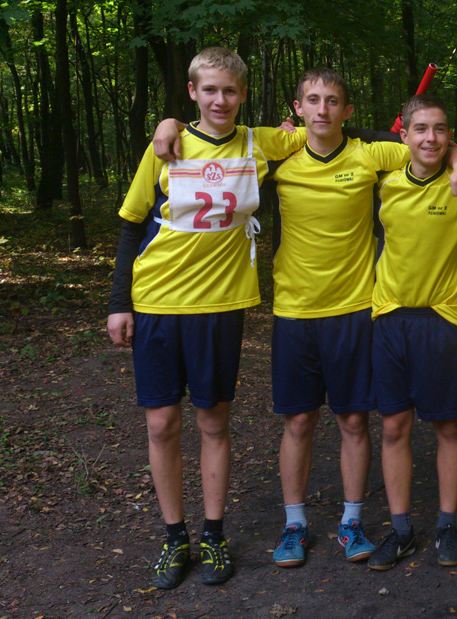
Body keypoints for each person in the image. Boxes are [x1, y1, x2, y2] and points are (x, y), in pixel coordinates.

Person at [150, 69, 457, 569]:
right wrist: (170, 122)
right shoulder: (277, 152)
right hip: (294, 309)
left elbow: (427, 145)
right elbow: (215, 136)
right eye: (313, 100)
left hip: (353, 308)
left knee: (352, 420)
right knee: (298, 420)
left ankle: (352, 521)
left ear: (347, 110)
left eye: (333, 101)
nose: (323, 109)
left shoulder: (371, 154)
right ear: (298, 109)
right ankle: (295, 524)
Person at [106, 47, 305, 589]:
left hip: (219, 306)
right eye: (210, 90)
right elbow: (131, 224)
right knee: (161, 423)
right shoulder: (165, 145)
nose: (221, 100)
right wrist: (119, 303)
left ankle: (214, 535)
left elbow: (327, 131)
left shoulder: (260, 143)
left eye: (230, 90)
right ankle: (175, 538)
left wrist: (450, 153)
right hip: (156, 301)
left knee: (213, 422)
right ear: (193, 92)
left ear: (243, 94)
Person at [366, 93, 457, 571]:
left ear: (450, 137)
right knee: (393, 427)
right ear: (403, 135)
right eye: (421, 129)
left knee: (448, 426)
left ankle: (447, 525)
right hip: (389, 316)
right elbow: (329, 147)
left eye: (440, 130)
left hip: (442, 317)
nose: (431, 138)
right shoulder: (382, 181)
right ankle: (401, 530)